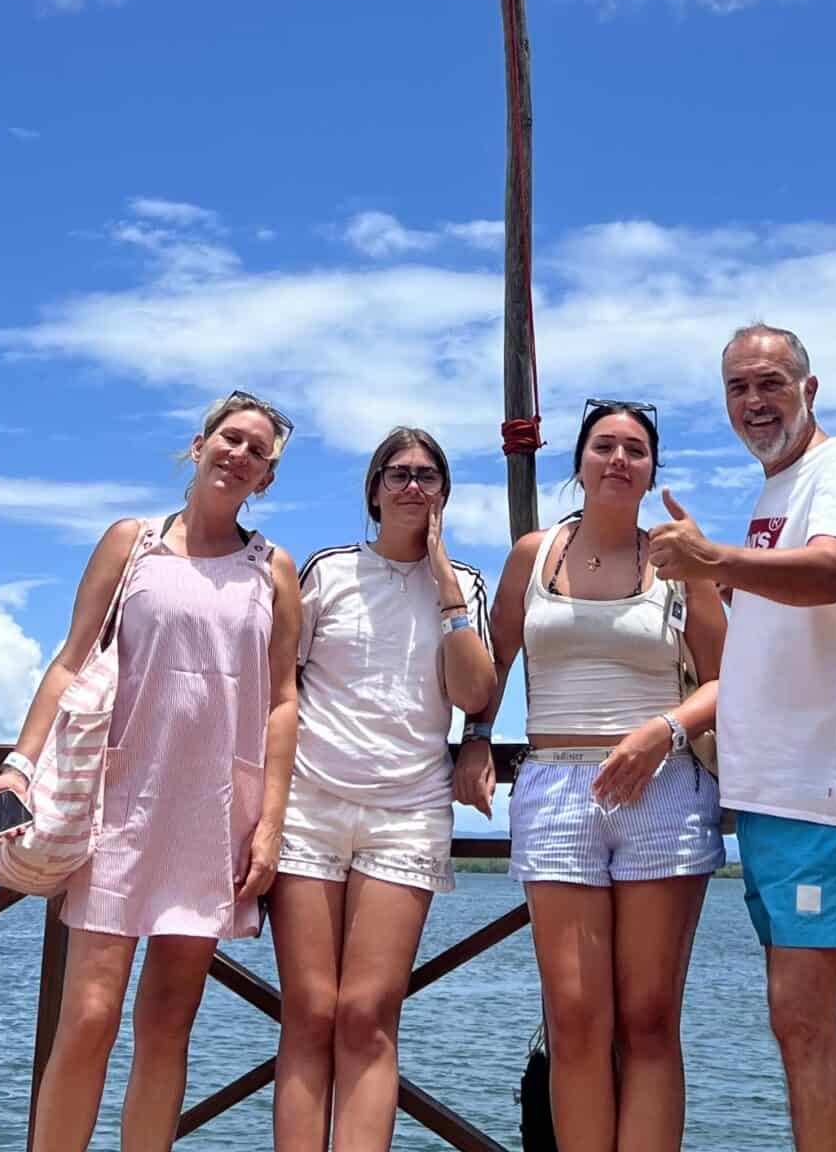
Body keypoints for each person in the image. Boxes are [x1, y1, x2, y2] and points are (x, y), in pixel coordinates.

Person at [0, 390, 302, 1152]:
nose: (239, 455)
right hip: (118, 798)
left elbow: (283, 702)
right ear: (198, 445)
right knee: (87, 1016)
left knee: (166, 1027)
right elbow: (70, 660)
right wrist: (19, 769)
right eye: (231, 438)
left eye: (258, 451)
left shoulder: (273, 568)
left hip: (215, 806)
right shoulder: (133, 542)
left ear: (267, 480)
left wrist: (271, 822)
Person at [648, 326, 836, 1152]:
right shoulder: (778, 494)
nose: (754, 402)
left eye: (770, 383)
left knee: (802, 1012)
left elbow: (832, 569)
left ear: (810, 388)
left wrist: (713, 559)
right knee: (805, 1015)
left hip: (827, 793)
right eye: (737, 388)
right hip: (778, 797)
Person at [457, 400, 726, 1152]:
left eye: (634, 449)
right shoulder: (534, 554)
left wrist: (662, 730)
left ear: (651, 469)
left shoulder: (679, 557)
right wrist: (477, 737)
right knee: (575, 1019)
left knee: (647, 1021)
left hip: (664, 789)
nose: (617, 459)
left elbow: (726, 677)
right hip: (554, 790)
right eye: (603, 445)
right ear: (577, 463)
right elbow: (497, 662)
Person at [270, 426, 497, 1151]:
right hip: (310, 805)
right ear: (372, 490)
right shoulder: (328, 571)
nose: (412, 487)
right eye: (397, 474)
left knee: (367, 1012)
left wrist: (445, 589)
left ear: (445, 493)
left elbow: (475, 693)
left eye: (428, 476)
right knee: (309, 1008)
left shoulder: (464, 583)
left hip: (407, 812)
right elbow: (282, 686)